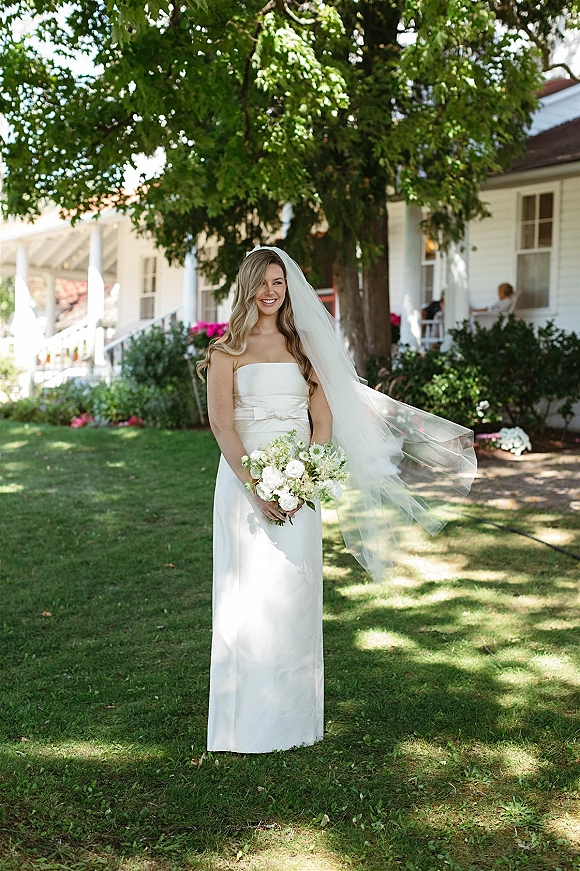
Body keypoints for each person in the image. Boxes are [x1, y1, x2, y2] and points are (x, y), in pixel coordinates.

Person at [199, 247, 477, 754]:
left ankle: (294, 723)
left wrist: (304, 477)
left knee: (294, 592)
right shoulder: (226, 351)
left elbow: (322, 420)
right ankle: (243, 726)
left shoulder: (304, 346)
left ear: (287, 288)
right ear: (246, 287)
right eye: (261, 283)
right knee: (245, 597)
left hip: (298, 482)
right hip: (244, 484)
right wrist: (257, 489)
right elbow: (221, 423)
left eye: (278, 283)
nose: (269, 292)